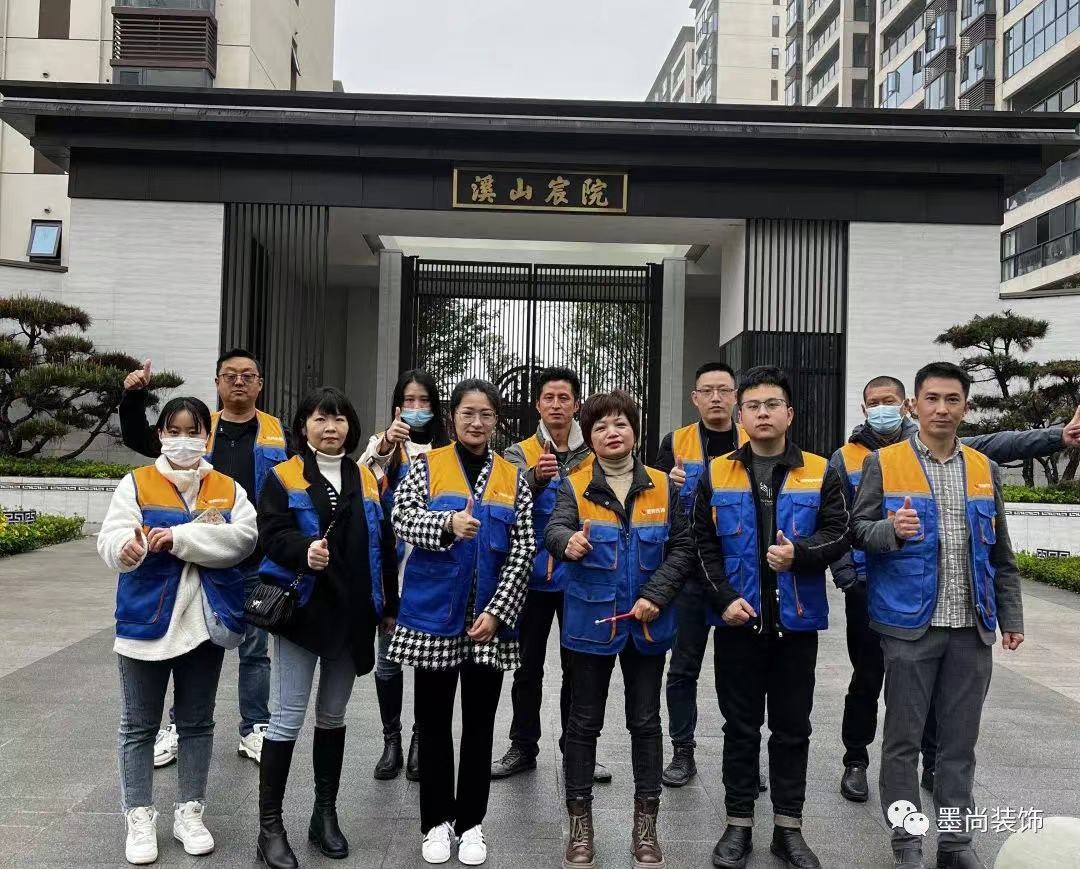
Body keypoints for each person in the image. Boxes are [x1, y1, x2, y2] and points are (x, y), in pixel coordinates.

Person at [831, 377, 1080, 805]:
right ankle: (856, 760)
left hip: (935, 600)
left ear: (905, 405)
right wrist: (847, 577)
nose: (881, 408)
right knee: (868, 679)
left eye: (889, 401)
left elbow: (1001, 444)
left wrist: (1057, 436)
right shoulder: (848, 457)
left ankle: (934, 766)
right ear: (864, 408)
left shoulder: (944, 443)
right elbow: (840, 521)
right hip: (869, 590)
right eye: (873, 402)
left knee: (933, 695)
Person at [852, 362, 1025, 869]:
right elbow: (857, 531)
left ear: (965, 407)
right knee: (902, 742)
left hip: (971, 627)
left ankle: (955, 843)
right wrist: (891, 529)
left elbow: (1001, 553)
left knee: (959, 744)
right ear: (914, 405)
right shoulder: (884, 463)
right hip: (909, 626)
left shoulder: (983, 468)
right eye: (932, 399)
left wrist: (1011, 616)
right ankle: (907, 841)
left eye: (952, 400)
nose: (942, 409)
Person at [694, 366, 849, 869]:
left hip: (795, 624)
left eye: (772, 405)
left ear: (789, 413)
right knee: (739, 728)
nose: (763, 413)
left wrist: (799, 554)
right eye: (754, 406)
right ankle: (737, 824)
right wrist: (723, 599)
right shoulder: (716, 472)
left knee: (792, 729)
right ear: (740, 415)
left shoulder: (821, 470)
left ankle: (788, 828)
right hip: (738, 623)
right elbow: (700, 544)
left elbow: (839, 532)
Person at [97, 396, 258, 865]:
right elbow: (111, 536)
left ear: (207, 436)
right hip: (146, 619)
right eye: (173, 430)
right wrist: (125, 549)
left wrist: (180, 537)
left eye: (192, 431)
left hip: (205, 623)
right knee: (138, 726)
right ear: (161, 435)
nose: (183, 439)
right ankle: (138, 815)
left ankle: (190, 812)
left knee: (196, 723)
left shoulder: (227, 488)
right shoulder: (137, 482)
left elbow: (243, 539)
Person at [545, 389, 695, 869]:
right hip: (591, 622)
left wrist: (656, 595)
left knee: (645, 722)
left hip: (648, 624)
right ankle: (580, 827)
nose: (612, 433)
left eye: (621, 424)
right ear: (589, 438)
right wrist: (567, 542)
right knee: (583, 722)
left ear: (635, 431)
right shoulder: (573, 486)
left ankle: (645, 827)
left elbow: (684, 547)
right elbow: (554, 529)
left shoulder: (664, 487)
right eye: (601, 426)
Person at [388, 378, 533, 866]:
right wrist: (446, 525)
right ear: (452, 418)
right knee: (432, 724)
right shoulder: (427, 466)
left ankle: (471, 823)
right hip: (433, 617)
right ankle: (435, 821)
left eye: (486, 414)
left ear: (496, 421)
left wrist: (498, 612)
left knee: (479, 725)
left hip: (487, 622)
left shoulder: (512, 477)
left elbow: (523, 549)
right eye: (468, 413)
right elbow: (402, 518)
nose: (476, 422)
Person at [120, 350, 288, 767]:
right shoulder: (195, 429)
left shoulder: (279, 434)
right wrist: (133, 398)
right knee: (187, 644)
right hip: (194, 564)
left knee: (255, 652)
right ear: (217, 383)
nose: (239, 382)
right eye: (230, 375)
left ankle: (254, 728)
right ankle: (178, 726)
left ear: (260, 383)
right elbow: (142, 440)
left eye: (247, 375)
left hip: (255, 562)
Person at [253, 387, 398, 868]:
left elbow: (384, 545)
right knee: (286, 718)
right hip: (303, 614)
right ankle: (270, 828)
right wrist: (303, 551)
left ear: (350, 427)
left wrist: (389, 607)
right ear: (303, 427)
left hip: (353, 615)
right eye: (320, 419)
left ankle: (324, 815)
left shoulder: (367, 477)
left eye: (338, 419)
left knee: (332, 717)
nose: (330, 427)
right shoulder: (284, 476)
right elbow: (270, 535)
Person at [490, 366, 610, 783]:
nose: (556, 405)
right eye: (549, 398)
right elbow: (502, 500)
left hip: (579, 576)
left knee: (579, 667)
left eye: (564, 398)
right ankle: (522, 746)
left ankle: (577, 749)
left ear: (576, 404)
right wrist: (534, 480)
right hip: (532, 578)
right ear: (538, 405)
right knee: (527, 668)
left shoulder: (594, 454)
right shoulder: (518, 453)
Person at [653, 361, 753, 790]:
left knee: (741, 674)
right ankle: (682, 750)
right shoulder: (675, 443)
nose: (716, 398)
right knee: (683, 669)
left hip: (737, 577)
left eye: (724, 390)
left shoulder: (755, 440)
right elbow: (652, 505)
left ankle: (743, 755)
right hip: (690, 577)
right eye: (707, 391)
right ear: (694, 398)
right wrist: (669, 484)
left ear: (735, 397)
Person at [360, 369, 451, 782]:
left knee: (428, 662)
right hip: (390, 568)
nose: (416, 408)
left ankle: (420, 738)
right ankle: (391, 739)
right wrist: (384, 444)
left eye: (423, 401)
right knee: (388, 660)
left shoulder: (445, 451)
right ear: (397, 405)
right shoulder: (384, 447)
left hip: (432, 568)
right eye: (408, 401)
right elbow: (360, 478)